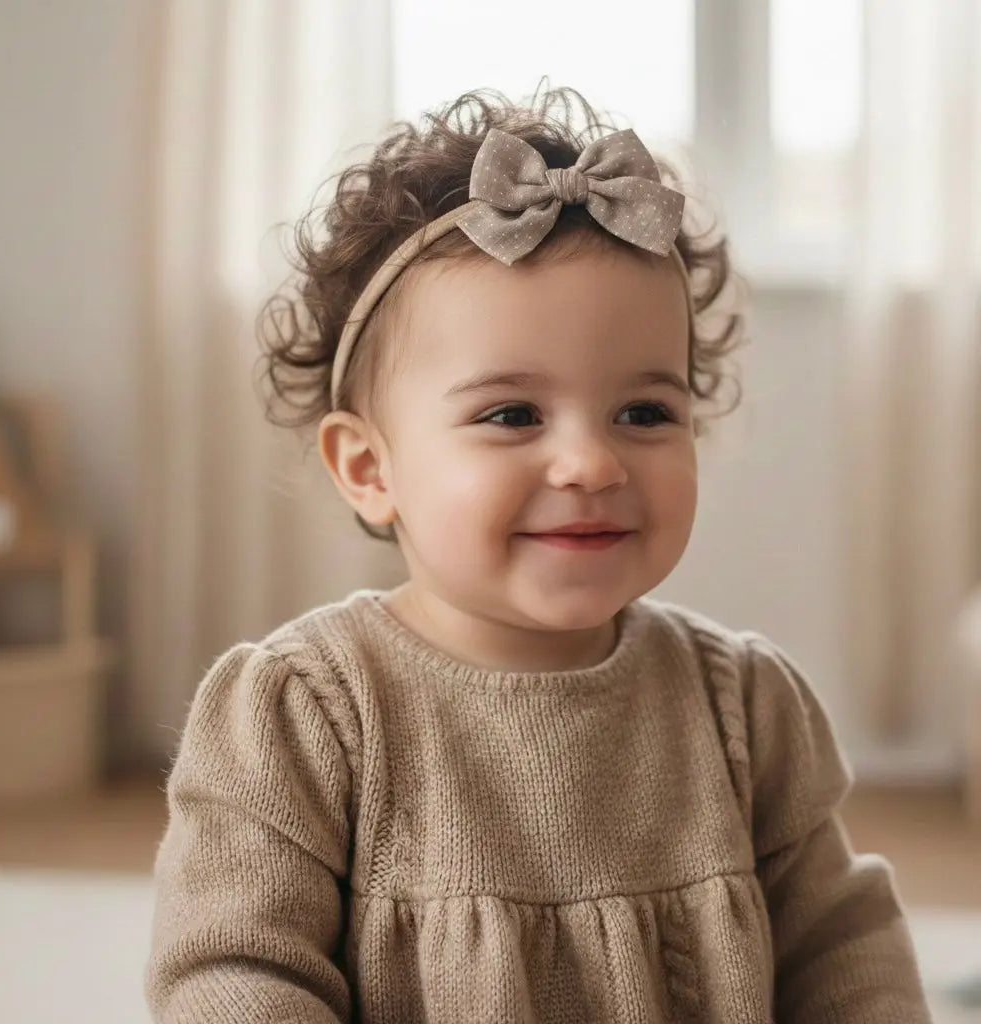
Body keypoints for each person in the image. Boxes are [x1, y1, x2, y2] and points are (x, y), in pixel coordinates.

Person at [144, 83, 932, 1022]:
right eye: (511, 414)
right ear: (368, 466)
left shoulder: (744, 710)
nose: (592, 462)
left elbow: (843, 951)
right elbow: (233, 974)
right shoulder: (305, 713)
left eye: (644, 412)